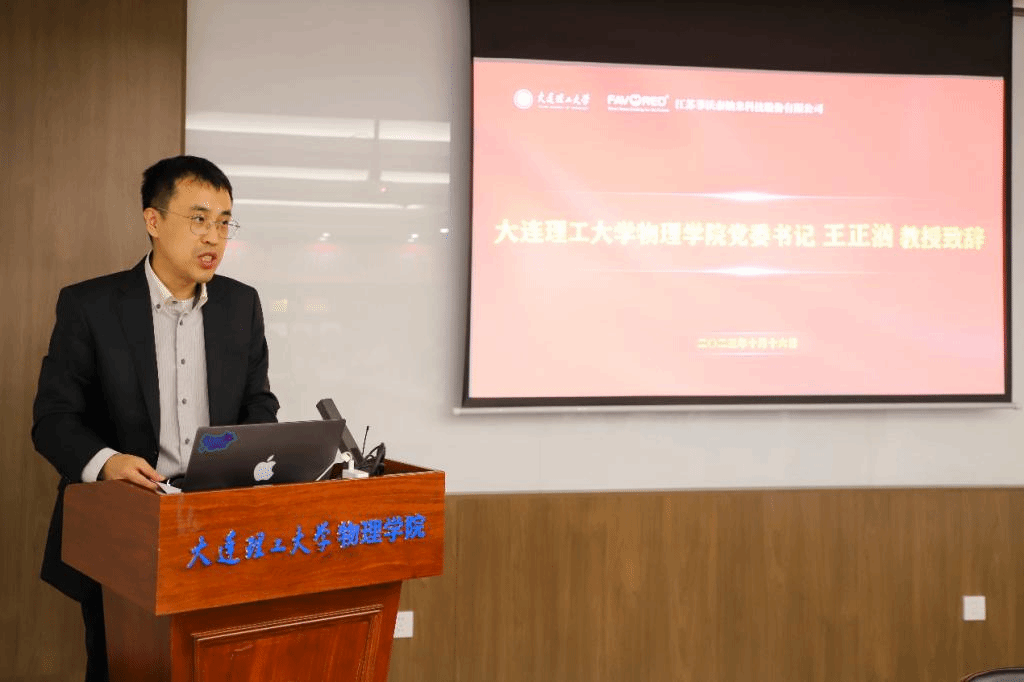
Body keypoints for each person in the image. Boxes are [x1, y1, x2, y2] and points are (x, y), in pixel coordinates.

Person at [31, 155, 280, 682]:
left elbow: (259, 403)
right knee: (123, 666)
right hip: (125, 525)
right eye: (198, 219)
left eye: (224, 222)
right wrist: (108, 463)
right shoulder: (90, 305)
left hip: (217, 528)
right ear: (154, 220)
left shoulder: (241, 305)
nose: (213, 236)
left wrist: (252, 457)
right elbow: (53, 418)